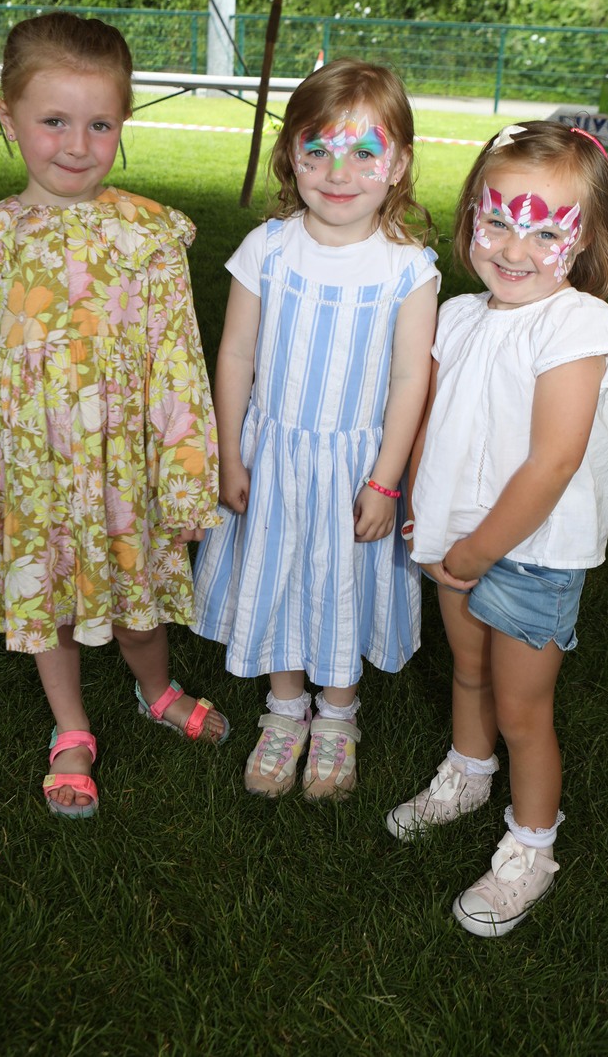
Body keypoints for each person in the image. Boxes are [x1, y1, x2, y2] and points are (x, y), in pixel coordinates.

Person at [0, 11, 229, 820]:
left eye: (100, 124)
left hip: (121, 470)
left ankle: (156, 687)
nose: (76, 144)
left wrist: (187, 480)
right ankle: (71, 727)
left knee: (138, 604)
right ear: (7, 117)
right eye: (54, 121)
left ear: (123, 120)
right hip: (29, 474)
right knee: (50, 610)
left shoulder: (149, 237)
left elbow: (179, 365)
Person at [386, 121, 608, 935]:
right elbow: (430, 417)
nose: (514, 247)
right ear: (470, 215)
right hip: (454, 539)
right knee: (467, 672)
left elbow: (553, 461)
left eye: (544, 231)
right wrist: (422, 508)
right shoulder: (458, 316)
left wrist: (477, 550)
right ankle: (468, 770)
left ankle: (532, 846)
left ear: (585, 239)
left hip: (531, 555)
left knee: (523, 708)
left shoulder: (578, 327)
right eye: (496, 220)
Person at [192, 59, 439, 800]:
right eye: (318, 149)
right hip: (272, 455)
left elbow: (410, 381)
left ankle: (336, 715)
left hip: (358, 466)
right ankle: (285, 706)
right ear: (290, 155)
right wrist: (228, 452)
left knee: (340, 582)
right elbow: (235, 354)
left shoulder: (409, 269)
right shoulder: (267, 248)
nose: (339, 172)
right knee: (278, 571)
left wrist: (386, 481)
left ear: (398, 164)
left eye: (364, 152)